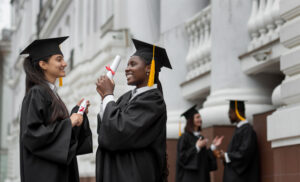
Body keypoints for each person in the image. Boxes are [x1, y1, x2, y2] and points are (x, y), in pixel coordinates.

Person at [95, 38, 172, 182]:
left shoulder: (153, 101)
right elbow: (105, 130)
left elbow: (118, 132)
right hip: (118, 172)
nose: (126, 68)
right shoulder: (125, 97)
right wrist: (104, 98)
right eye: (127, 64)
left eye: (133, 64)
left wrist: (108, 95)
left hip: (136, 174)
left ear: (149, 67)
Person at [19, 36, 93, 182]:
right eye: (59, 59)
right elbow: (33, 135)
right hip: (45, 175)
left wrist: (77, 114)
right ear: (43, 64)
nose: (64, 64)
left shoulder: (50, 94)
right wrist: (69, 123)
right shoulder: (37, 93)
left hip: (59, 173)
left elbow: (60, 137)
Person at [176, 105, 223, 182]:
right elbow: (182, 158)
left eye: (200, 117)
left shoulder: (200, 137)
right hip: (190, 178)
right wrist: (197, 147)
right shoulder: (184, 138)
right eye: (197, 117)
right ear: (191, 120)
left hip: (202, 176)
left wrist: (213, 147)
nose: (200, 119)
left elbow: (204, 158)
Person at [217, 100, 259, 182]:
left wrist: (226, 156)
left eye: (230, 112)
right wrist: (224, 156)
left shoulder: (247, 130)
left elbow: (244, 154)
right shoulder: (240, 129)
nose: (228, 115)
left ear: (237, 112)